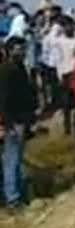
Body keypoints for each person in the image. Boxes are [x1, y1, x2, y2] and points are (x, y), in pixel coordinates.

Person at [0, 37, 37, 209]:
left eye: (23, 49)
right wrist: (8, 124)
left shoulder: (20, 68)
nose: (22, 52)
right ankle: (12, 199)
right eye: (18, 49)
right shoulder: (6, 71)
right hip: (13, 121)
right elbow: (4, 100)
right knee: (12, 159)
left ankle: (17, 194)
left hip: (22, 119)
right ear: (9, 50)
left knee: (17, 158)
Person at [52, 17, 75, 135]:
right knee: (66, 102)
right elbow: (58, 59)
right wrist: (59, 75)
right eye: (67, 26)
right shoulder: (59, 41)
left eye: (71, 26)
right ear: (63, 28)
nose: (69, 28)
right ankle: (67, 127)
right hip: (65, 73)